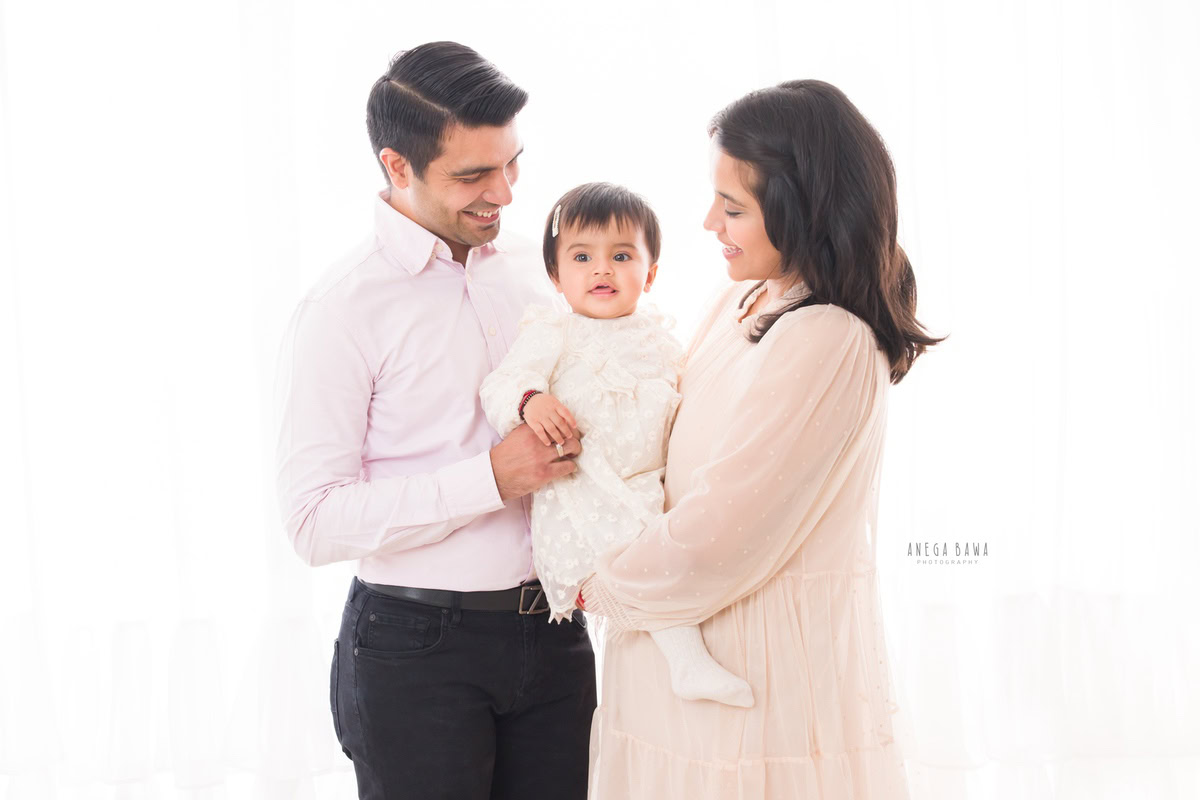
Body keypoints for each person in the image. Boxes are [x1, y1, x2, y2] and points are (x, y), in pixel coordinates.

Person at [579, 80, 945, 798]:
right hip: (680, 651)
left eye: (734, 207)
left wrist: (605, 582)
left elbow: (730, 524)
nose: (709, 221)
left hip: (752, 667)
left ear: (802, 209)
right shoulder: (742, 299)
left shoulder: (826, 334)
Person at [274, 42, 595, 799]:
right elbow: (312, 523)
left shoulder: (537, 271)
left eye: (512, 163)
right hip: (414, 654)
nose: (506, 194)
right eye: (473, 176)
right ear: (397, 167)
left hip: (555, 637)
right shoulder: (341, 310)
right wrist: (489, 479)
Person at [478, 182, 753, 708]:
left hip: (647, 486)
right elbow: (500, 385)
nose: (601, 269)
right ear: (556, 277)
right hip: (581, 494)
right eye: (582, 257)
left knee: (673, 549)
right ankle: (687, 663)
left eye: (621, 256)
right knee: (640, 557)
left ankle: (674, 670)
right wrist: (530, 401)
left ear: (649, 274)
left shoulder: (663, 340)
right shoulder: (553, 332)